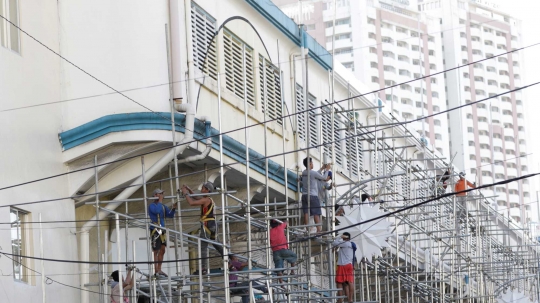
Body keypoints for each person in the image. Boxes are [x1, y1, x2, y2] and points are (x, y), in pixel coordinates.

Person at [181, 182, 224, 274]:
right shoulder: (208, 200)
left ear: (207, 190)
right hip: (213, 224)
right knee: (216, 244)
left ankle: (202, 268)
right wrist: (189, 191)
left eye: (203, 188)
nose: (202, 189)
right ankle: (229, 258)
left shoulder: (206, 200)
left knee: (203, 246)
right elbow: (196, 198)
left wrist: (185, 193)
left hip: (207, 224)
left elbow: (192, 203)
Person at [148, 188, 177, 277]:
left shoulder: (163, 206)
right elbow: (156, 211)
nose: (162, 196)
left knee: (163, 249)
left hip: (162, 230)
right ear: (155, 195)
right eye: (160, 194)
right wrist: (160, 201)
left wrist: (173, 209)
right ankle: (156, 269)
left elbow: (170, 215)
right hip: (155, 229)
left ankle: (159, 269)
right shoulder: (152, 206)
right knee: (156, 249)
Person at [301, 157, 330, 233]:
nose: (313, 164)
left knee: (306, 212)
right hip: (313, 196)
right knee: (316, 213)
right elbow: (324, 177)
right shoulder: (313, 173)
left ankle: (307, 229)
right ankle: (319, 230)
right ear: (310, 164)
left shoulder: (304, 173)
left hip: (304, 195)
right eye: (312, 162)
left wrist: (321, 168)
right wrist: (327, 170)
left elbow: (314, 174)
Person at [333, 232, 354, 303]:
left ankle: (340, 299)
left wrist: (339, 237)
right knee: (349, 282)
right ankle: (350, 299)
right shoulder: (351, 244)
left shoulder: (345, 243)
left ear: (345, 237)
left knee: (339, 282)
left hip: (343, 265)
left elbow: (334, 243)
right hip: (349, 265)